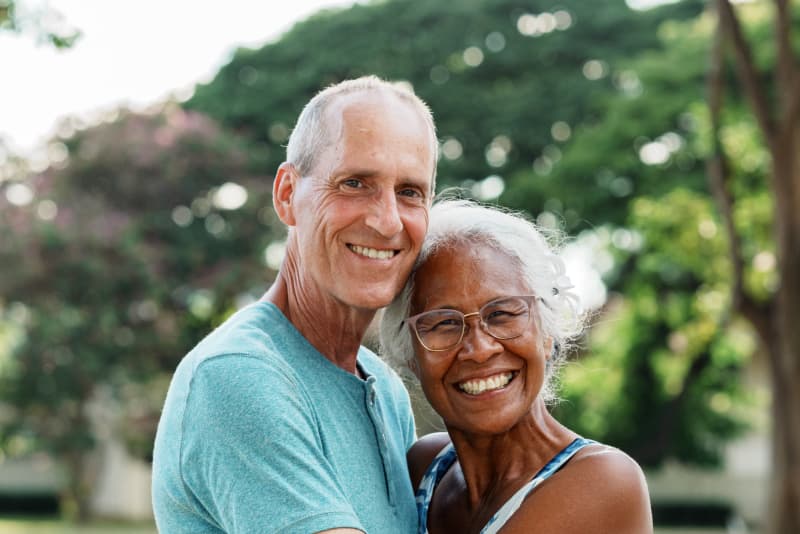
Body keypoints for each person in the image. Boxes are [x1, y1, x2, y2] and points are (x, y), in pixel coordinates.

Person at [152, 76, 438, 533]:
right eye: (355, 183)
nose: (387, 222)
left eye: (409, 192)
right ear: (287, 194)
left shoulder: (383, 389)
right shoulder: (238, 373)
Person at [380, 199, 653, 534]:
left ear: (547, 332)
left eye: (502, 315)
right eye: (444, 324)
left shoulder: (603, 480)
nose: (479, 350)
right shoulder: (425, 469)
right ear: (410, 355)